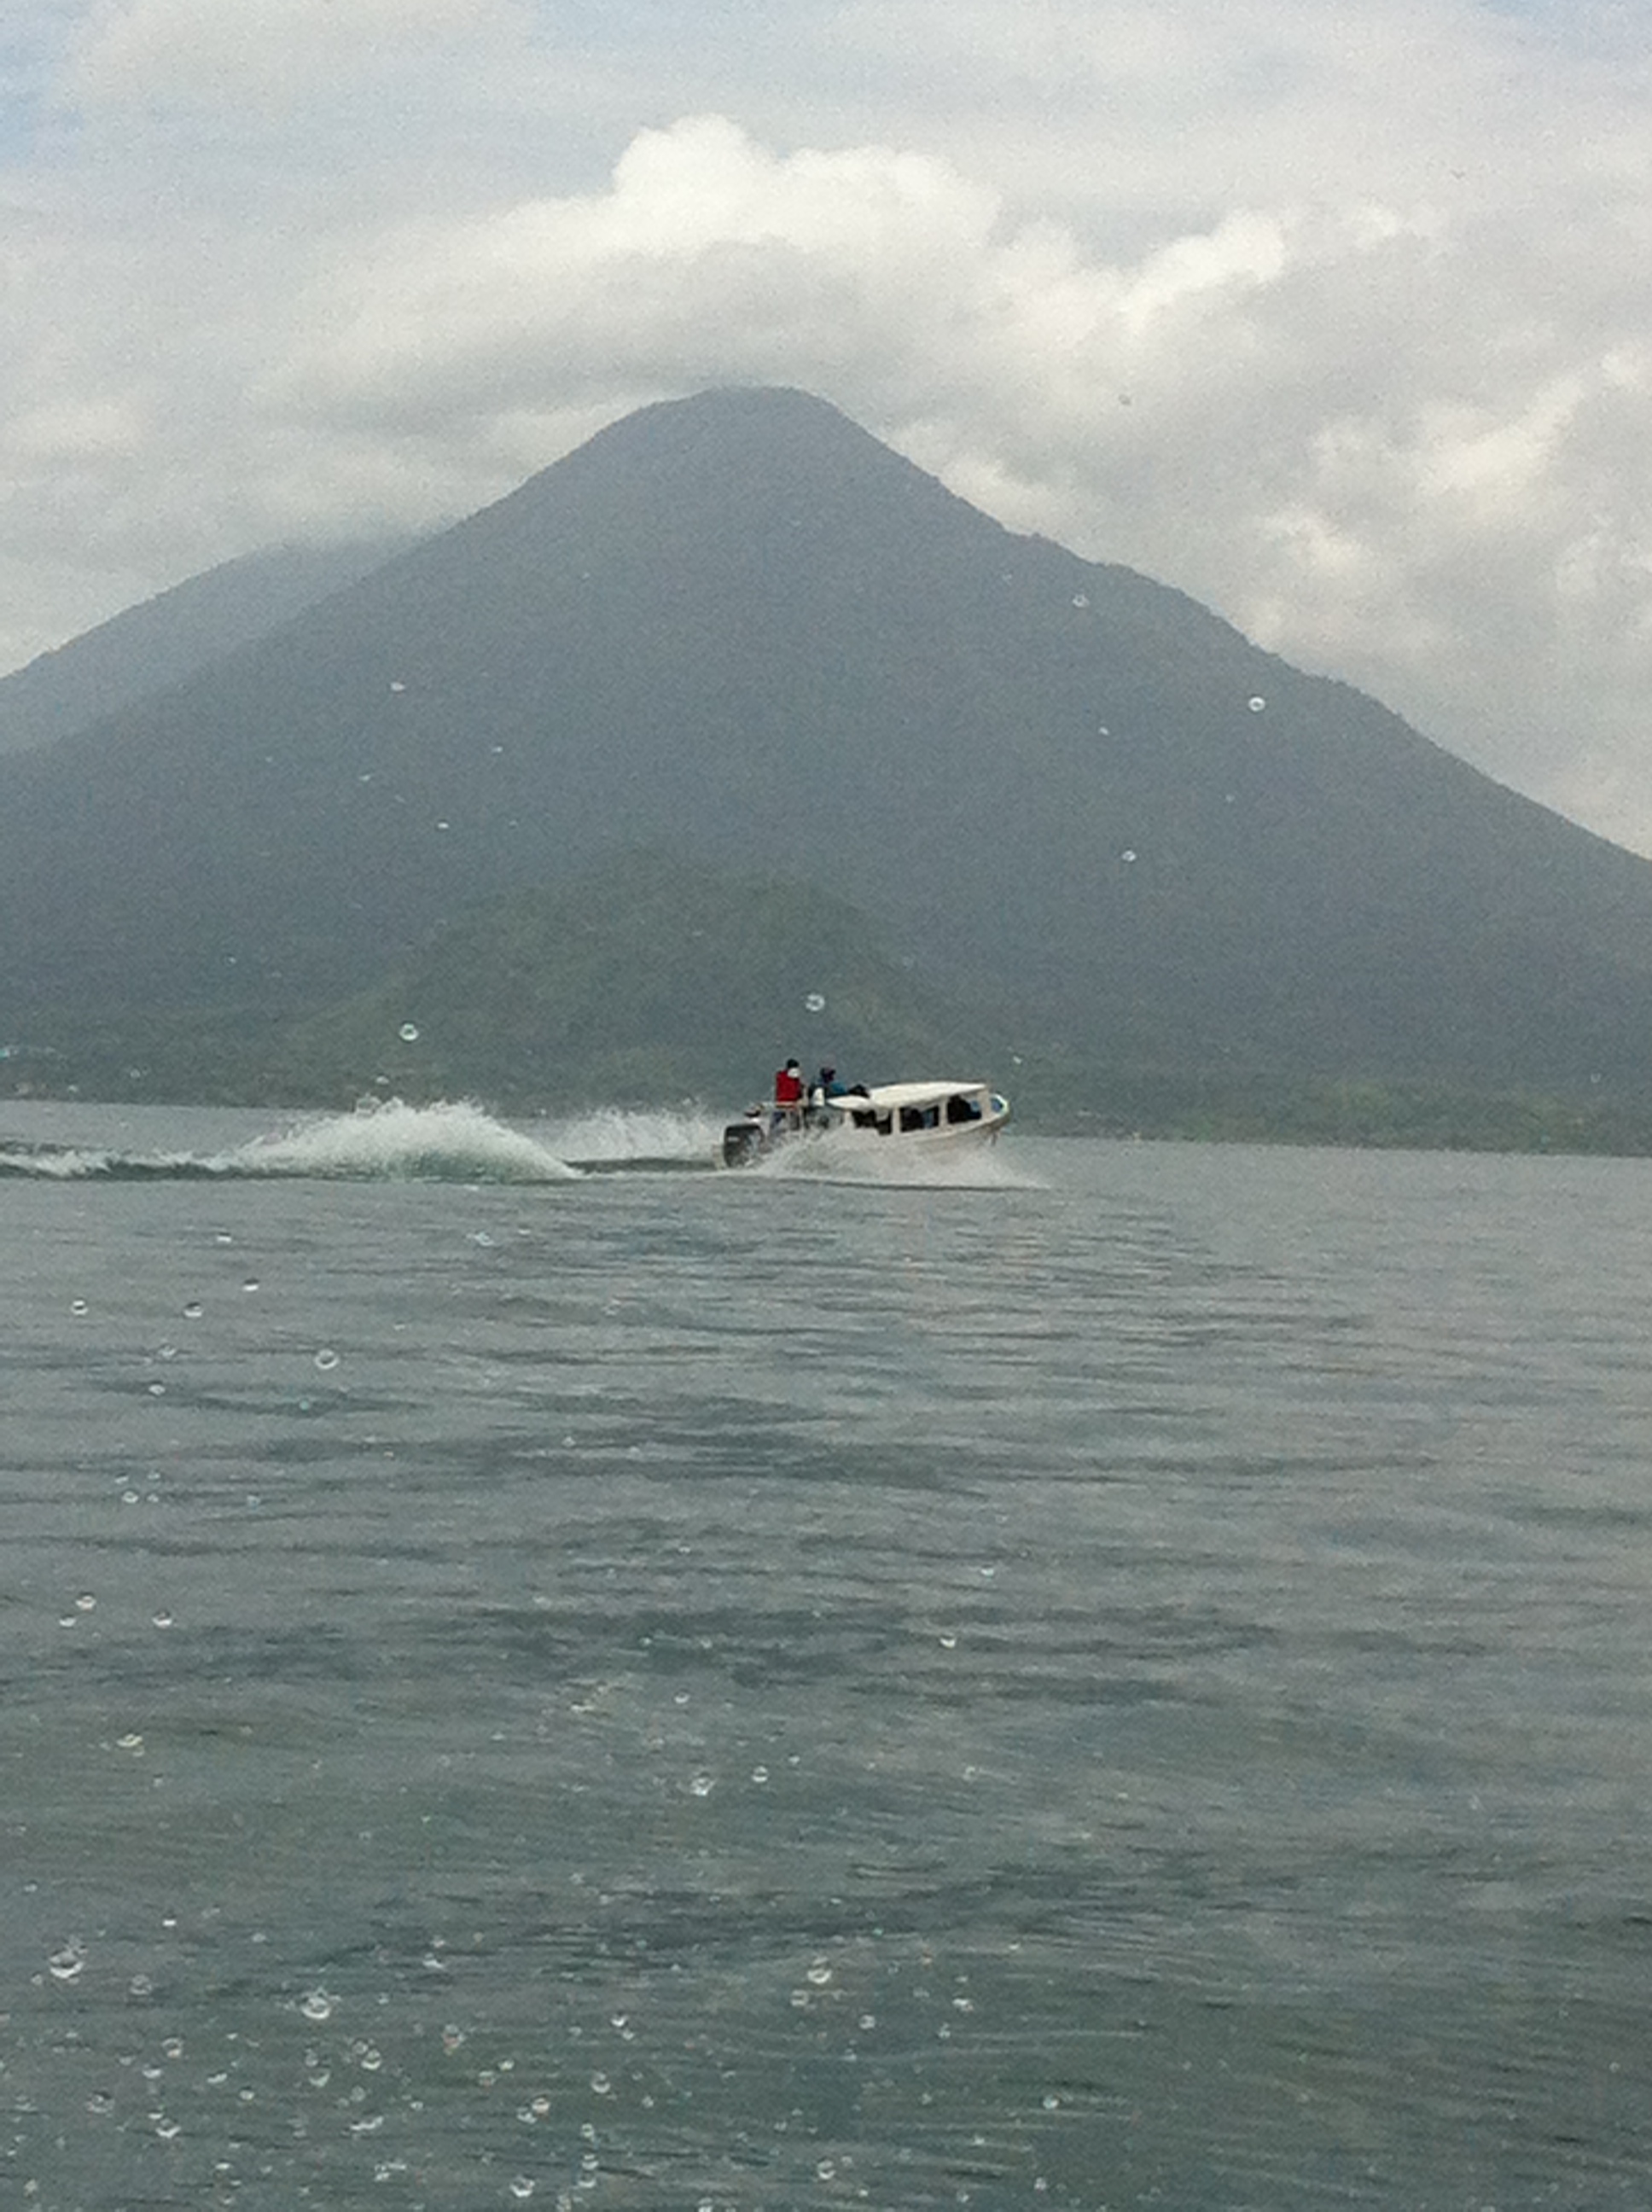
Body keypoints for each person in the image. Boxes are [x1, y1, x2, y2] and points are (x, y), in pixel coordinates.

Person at [772, 1057, 805, 1133]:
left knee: (775, 1121)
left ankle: (770, 1134)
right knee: (797, 1119)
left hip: (780, 1103)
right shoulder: (796, 1077)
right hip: (792, 1104)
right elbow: (798, 1091)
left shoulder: (780, 1075)